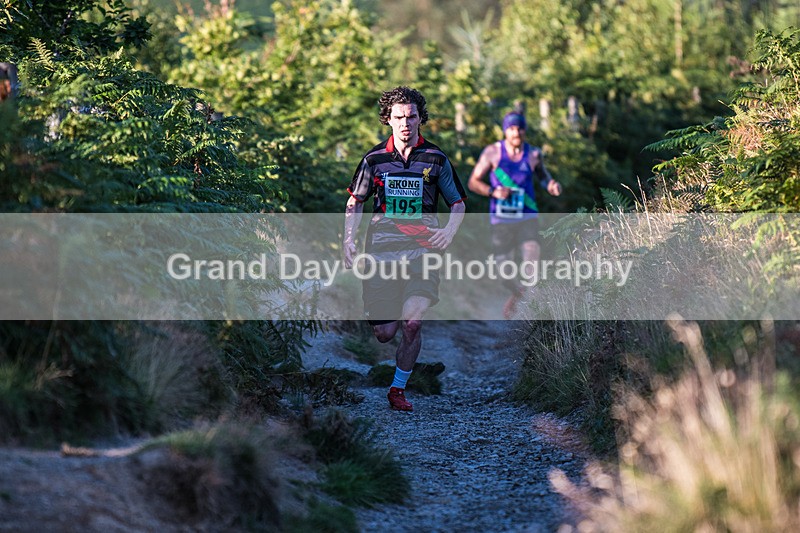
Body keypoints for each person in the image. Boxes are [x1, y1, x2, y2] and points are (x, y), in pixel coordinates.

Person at [343, 86, 466, 412]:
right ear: (388, 120)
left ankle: (397, 390)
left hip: (422, 251)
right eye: (399, 117)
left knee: (412, 322)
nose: (406, 123)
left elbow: (458, 203)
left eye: (412, 117)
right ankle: (402, 350)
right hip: (381, 253)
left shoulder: (436, 159)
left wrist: (449, 231)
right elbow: (355, 201)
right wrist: (348, 240)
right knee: (385, 333)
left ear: (419, 119)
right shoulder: (374, 160)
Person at [467, 111, 562, 318]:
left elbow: (544, 178)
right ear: (505, 131)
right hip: (501, 218)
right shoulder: (492, 152)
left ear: (524, 130)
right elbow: (473, 182)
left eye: (519, 128)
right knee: (504, 271)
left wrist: (551, 185)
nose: (516, 132)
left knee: (532, 255)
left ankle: (531, 310)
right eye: (511, 128)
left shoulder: (533, 154)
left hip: (527, 215)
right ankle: (519, 294)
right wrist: (494, 192)